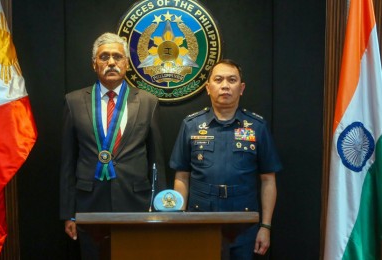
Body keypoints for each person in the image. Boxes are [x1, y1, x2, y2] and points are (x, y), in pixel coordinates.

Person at [59, 32, 166, 259]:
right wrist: (69, 213)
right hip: (89, 203)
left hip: (136, 201)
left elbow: (156, 160)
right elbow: (68, 161)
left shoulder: (148, 102)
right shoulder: (74, 101)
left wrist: (159, 208)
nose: (111, 62)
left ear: (126, 63)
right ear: (94, 64)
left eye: (117, 57)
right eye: (104, 57)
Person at [170, 59, 282, 260]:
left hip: (244, 223)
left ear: (241, 88)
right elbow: (182, 177)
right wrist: (179, 221)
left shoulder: (257, 126)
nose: (225, 86)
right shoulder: (191, 125)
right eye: (218, 79)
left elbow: (268, 180)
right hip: (199, 221)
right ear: (208, 87)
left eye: (232, 80)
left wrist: (265, 226)